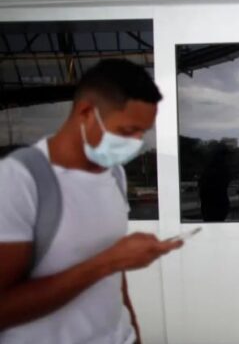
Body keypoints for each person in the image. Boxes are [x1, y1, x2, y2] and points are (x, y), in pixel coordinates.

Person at [0, 59, 182, 343]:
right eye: (126, 131)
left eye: (142, 133)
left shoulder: (115, 175)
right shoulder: (18, 179)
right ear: (86, 112)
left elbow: (115, 282)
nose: (136, 142)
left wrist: (133, 333)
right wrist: (106, 263)